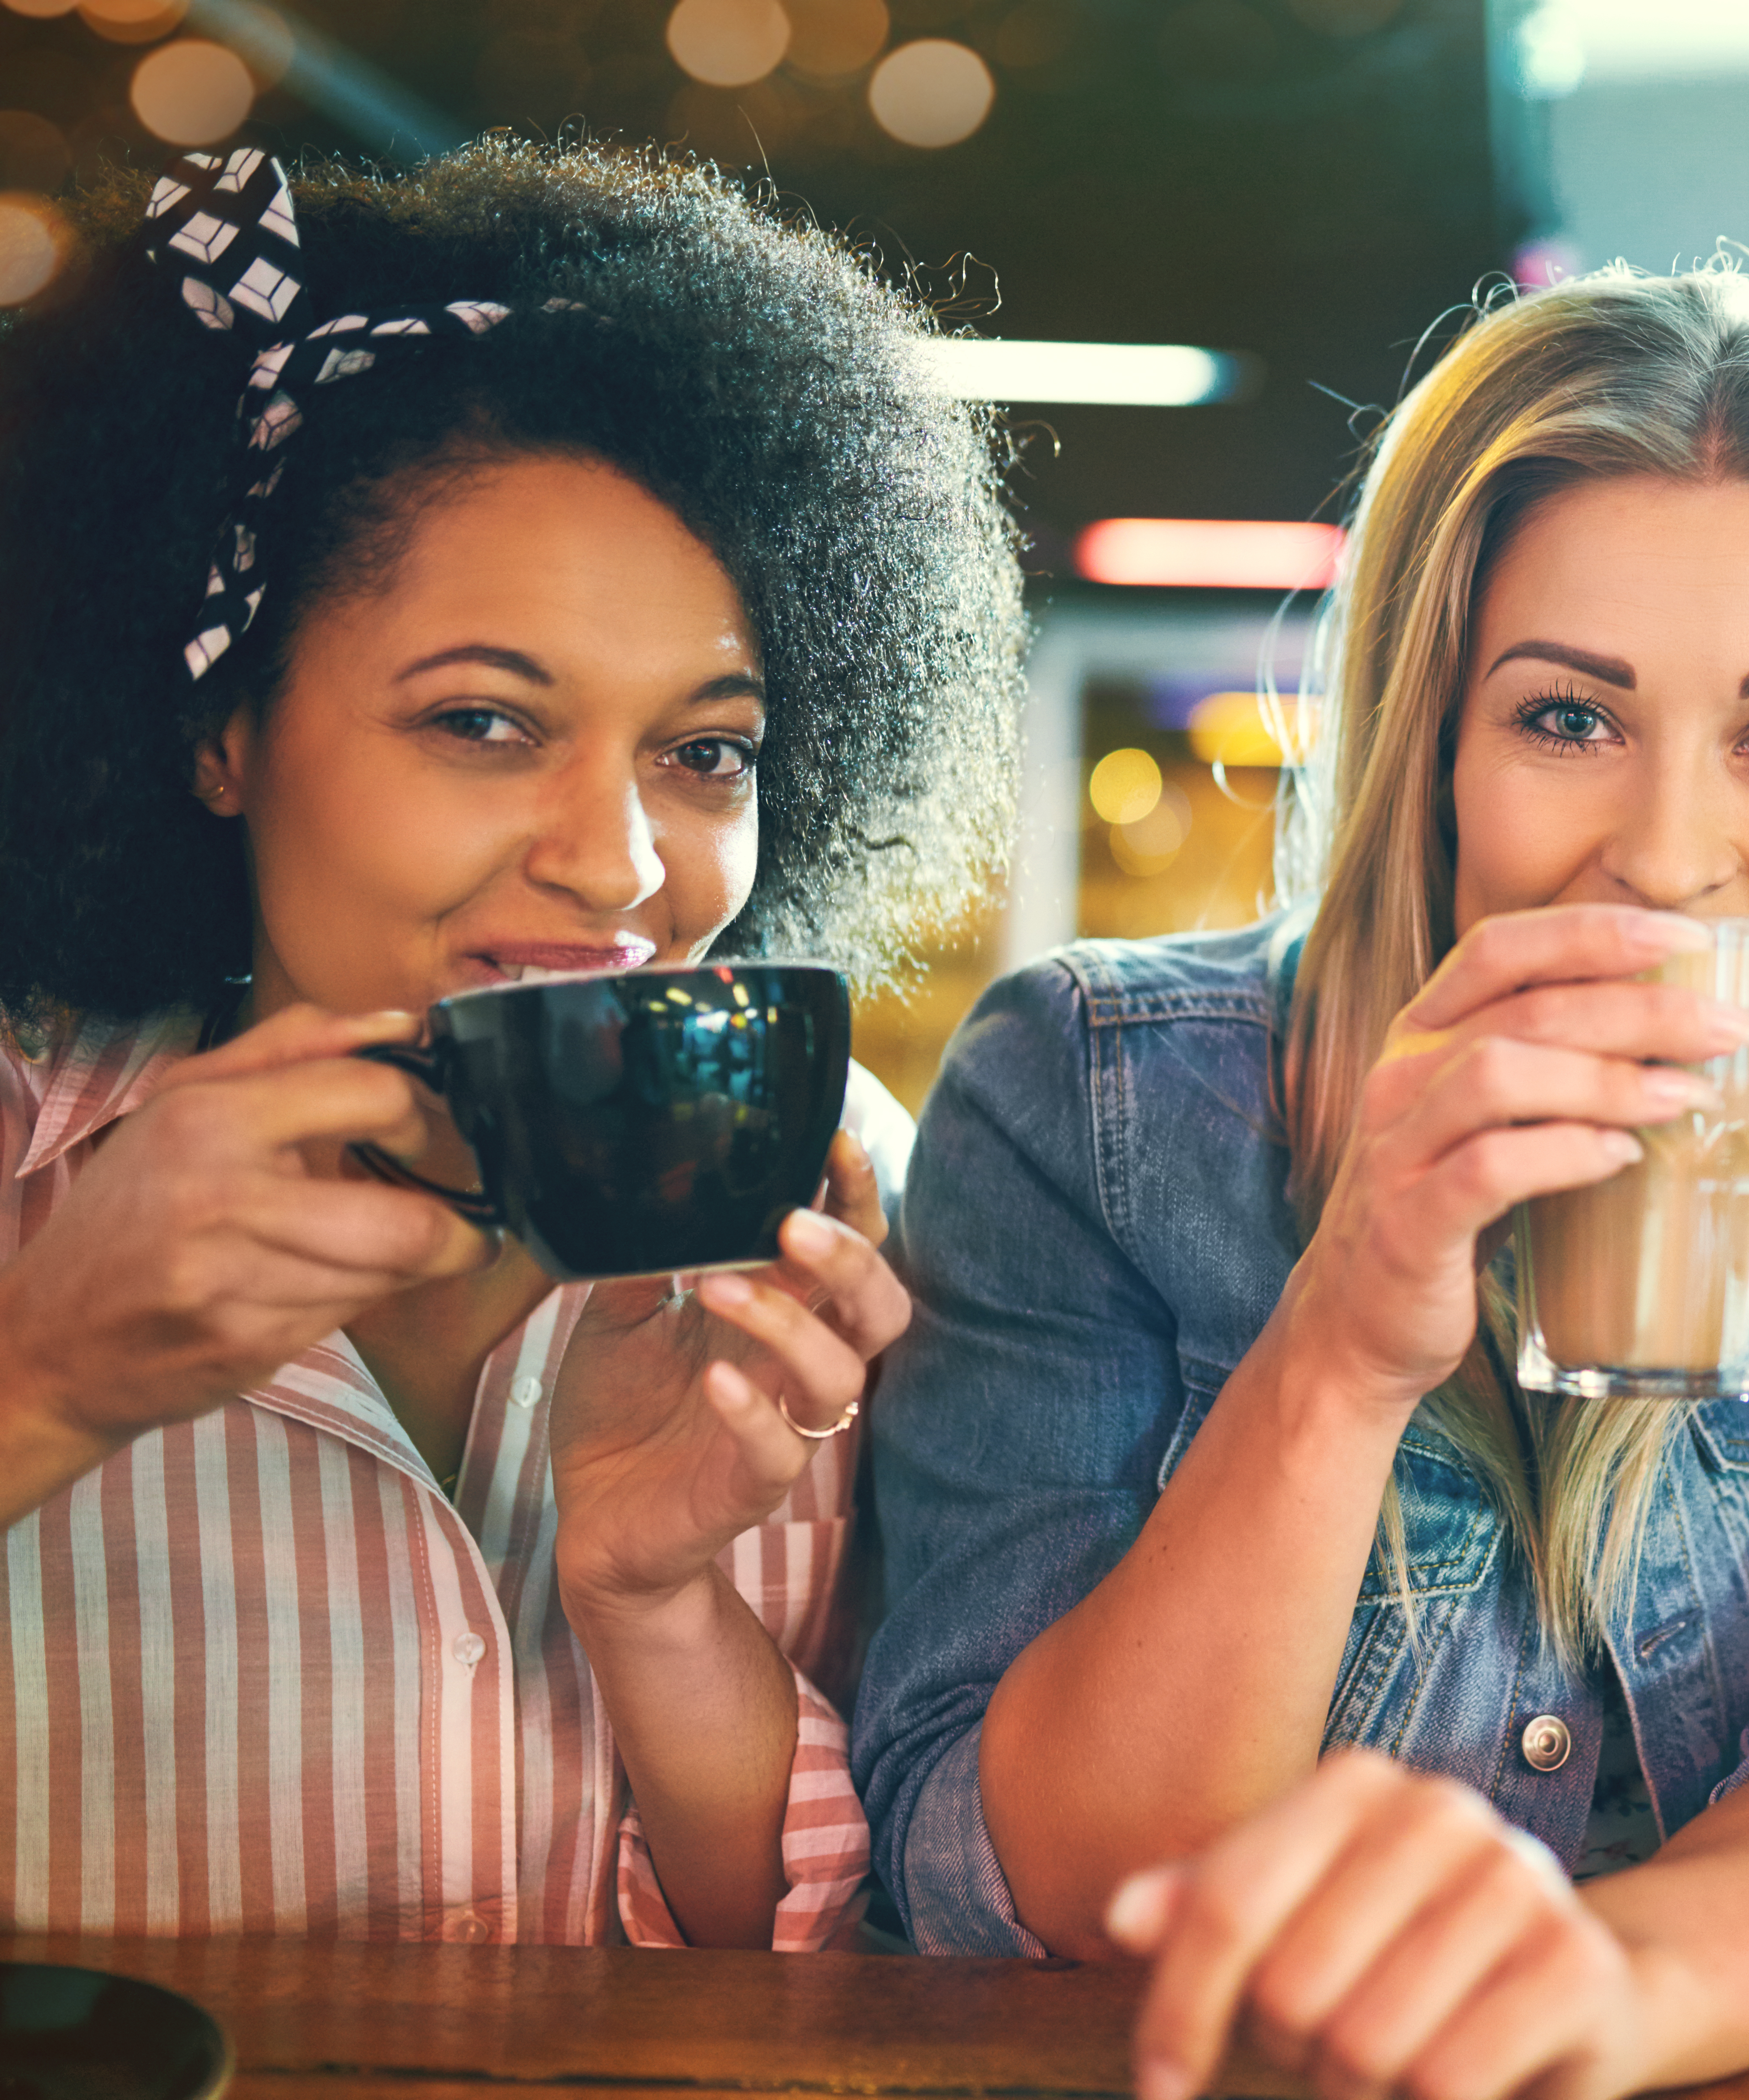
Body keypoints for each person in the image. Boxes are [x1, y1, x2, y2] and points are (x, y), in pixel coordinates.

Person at [854, 266, 1749, 2097]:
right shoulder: (1100, 1097)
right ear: (1429, 745)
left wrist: (1583, 1992)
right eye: (1568, 720)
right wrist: (1345, 1339)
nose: (1669, 858)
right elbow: (1036, 1880)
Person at [0, 141, 1023, 1946]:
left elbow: (847, 1982)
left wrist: (659, 1601)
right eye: (483, 720)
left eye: (705, 751)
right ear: (221, 732)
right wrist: (44, 1387)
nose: (622, 864)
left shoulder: (833, 1189)